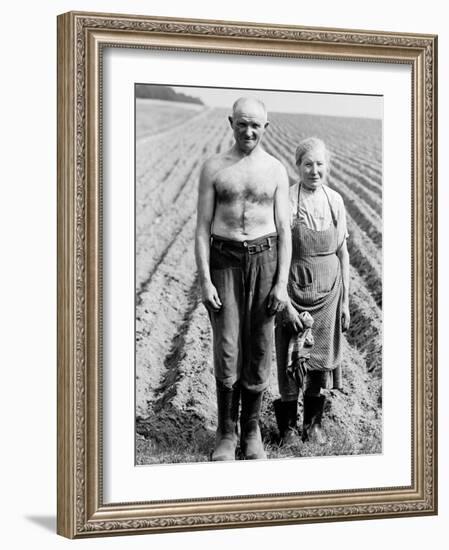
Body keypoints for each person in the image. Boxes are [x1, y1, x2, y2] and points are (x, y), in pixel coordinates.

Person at [195, 97, 291, 461]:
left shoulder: (277, 170)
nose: (248, 131)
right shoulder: (214, 168)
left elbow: (284, 230)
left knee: (261, 347)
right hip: (225, 262)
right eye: (242, 123)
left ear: (267, 127)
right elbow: (202, 228)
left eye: (256, 125)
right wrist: (205, 280)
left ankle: (251, 432)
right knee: (227, 346)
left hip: (265, 261)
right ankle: (225, 433)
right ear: (230, 122)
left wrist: (281, 283)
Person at [274, 137, 350, 446]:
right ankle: (289, 429)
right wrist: (282, 298)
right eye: (308, 164)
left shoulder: (335, 201)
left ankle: (313, 425)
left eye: (320, 164)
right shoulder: (288, 200)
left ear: (327, 167)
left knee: (320, 359)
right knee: (291, 356)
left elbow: (343, 253)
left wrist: (345, 301)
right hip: (294, 290)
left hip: (329, 292)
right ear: (298, 166)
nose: (314, 170)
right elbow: (278, 249)